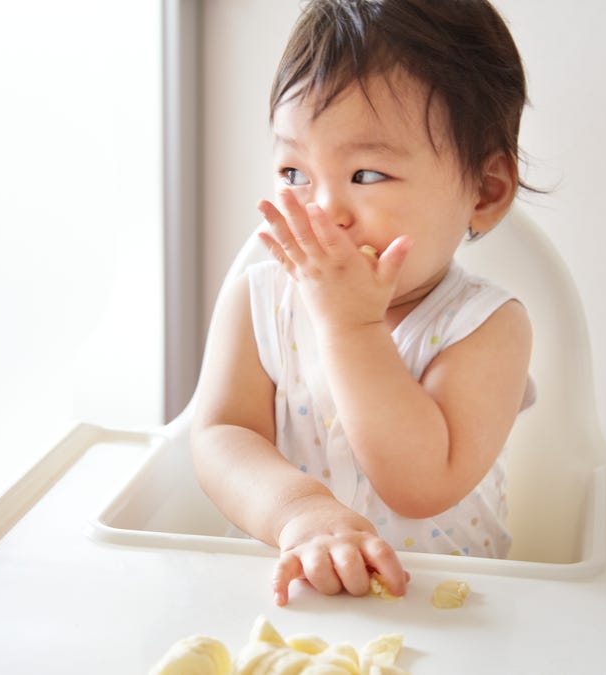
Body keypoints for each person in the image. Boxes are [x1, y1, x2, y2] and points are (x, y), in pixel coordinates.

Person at [192, 0, 534, 607]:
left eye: (367, 175)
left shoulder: (486, 328)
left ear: (484, 191)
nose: (323, 210)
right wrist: (299, 513)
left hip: (447, 606)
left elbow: (420, 483)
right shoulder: (260, 300)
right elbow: (223, 435)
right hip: (290, 595)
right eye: (294, 171)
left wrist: (351, 325)